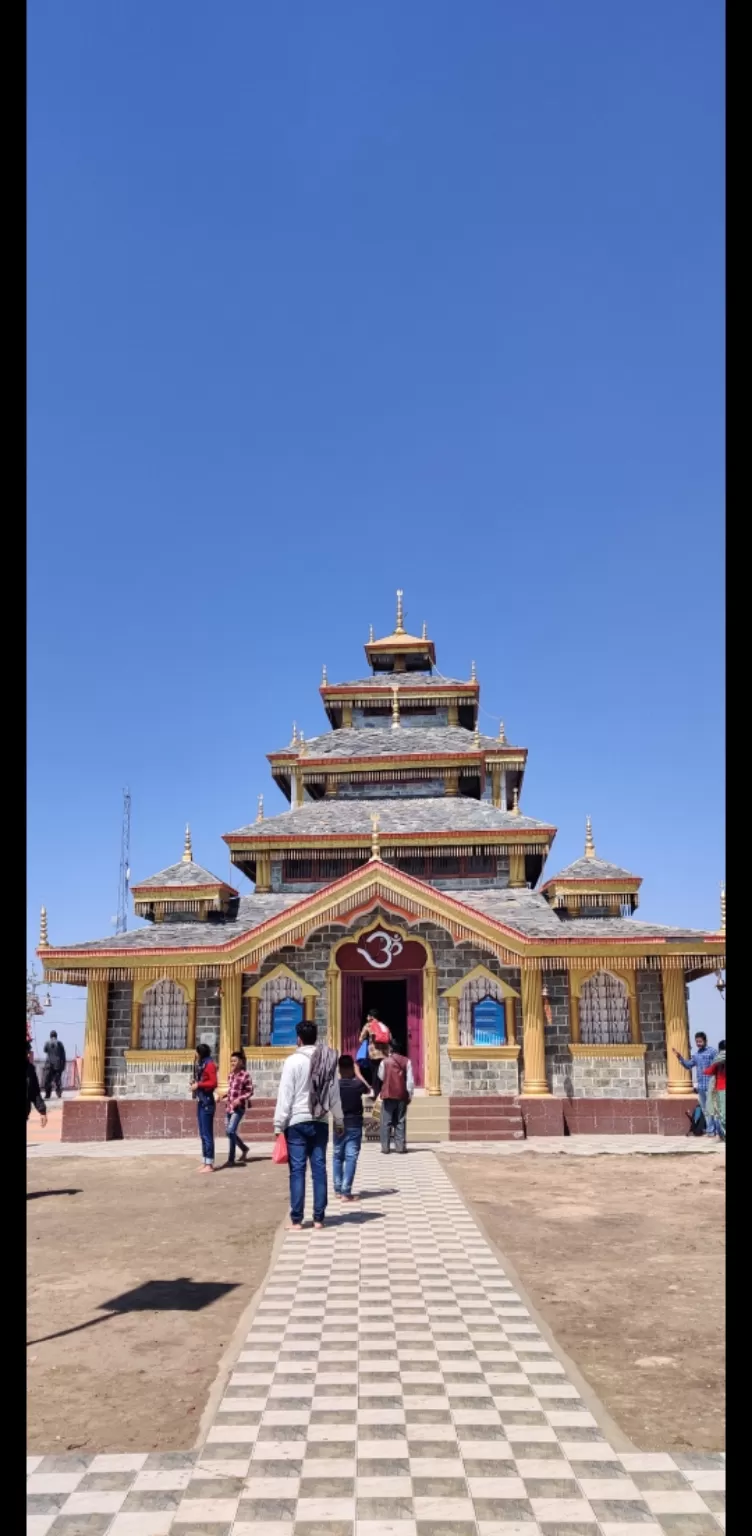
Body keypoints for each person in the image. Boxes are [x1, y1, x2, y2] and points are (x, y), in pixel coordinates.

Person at [273, 1021, 344, 1229]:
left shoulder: (293, 1061)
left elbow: (285, 1094)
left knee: (297, 1170)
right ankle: (319, 1218)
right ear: (316, 1037)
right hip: (320, 1120)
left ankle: (297, 1219)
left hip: (296, 1122)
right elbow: (333, 1093)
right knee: (319, 1169)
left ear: (299, 1038)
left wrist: (279, 1124)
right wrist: (339, 1119)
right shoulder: (326, 1060)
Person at [333, 1054, 371, 1201]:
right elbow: (368, 1089)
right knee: (351, 1157)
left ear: (340, 1069)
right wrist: (358, 1073)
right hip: (354, 1123)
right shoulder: (357, 1085)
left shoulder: (334, 1085)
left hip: (339, 1122)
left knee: (337, 1156)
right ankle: (345, 1191)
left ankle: (337, 1189)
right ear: (351, 1069)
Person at [672, 1032, 718, 1136]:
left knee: (713, 1108)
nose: (698, 1043)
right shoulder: (696, 1055)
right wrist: (680, 1057)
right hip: (701, 1086)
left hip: (711, 1085)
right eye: (697, 1041)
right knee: (705, 1109)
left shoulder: (712, 1052)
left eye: (700, 1041)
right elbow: (688, 1065)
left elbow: (718, 1065)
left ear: (705, 1041)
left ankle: (716, 1129)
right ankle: (711, 1130)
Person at [377, 1041, 414, 1154]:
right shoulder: (407, 1061)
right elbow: (410, 1082)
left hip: (388, 1094)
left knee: (386, 1122)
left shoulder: (384, 1062)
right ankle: (400, 1147)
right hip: (401, 1095)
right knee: (400, 1120)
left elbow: (381, 1076)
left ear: (391, 1049)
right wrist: (410, 1094)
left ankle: (385, 1147)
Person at [219, 1049, 254, 1167]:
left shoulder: (245, 1075)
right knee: (229, 1133)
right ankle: (244, 1148)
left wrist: (240, 1099)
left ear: (241, 1062)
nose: (232, 1063)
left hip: (238, 1108)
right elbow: (230, 1090)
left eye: (235, 1061)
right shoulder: (230, 1075)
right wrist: (222, 1096)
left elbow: (250, 1091)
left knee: (230, 1131)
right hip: (229, 1107)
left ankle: (231, 1159)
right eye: (231, 1061)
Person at [190, 1042, 218, 1172]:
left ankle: (210, 1163)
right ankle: (205, 1160)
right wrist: (195, 1084)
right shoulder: (201, 1065)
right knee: (202, 1133)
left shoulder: (210, 1065)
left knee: (207, 1134)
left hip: (207, 1101)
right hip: (201, 1100)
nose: (195, 1055)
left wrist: (199, 1085)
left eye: (196, 1052)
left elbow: (213, 1082)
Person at [703, 1039, 726, 1139]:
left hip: (721, 1089)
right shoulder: (718, 1062)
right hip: (721, 1089)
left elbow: (707, 1071)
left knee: (722, 1115)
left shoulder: (717, 1060)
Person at [43, 1030, 67, 1100]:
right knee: (58, 1079)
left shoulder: (47, 1043)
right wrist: (63, 1064)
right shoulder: (59, 1043)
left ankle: (47, 1094)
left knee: (47, 1080)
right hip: (58, 1064)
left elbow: (45, 1050)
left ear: (50, 1036)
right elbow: (63, 1055)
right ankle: (59, 1093)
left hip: (49, 1063)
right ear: (56, 1036)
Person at [27, 1048, 48, 1128]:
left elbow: (35, 1092)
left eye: (28, 1050)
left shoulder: (30, 1069)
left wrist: (42, 1111)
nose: (28, 1054)